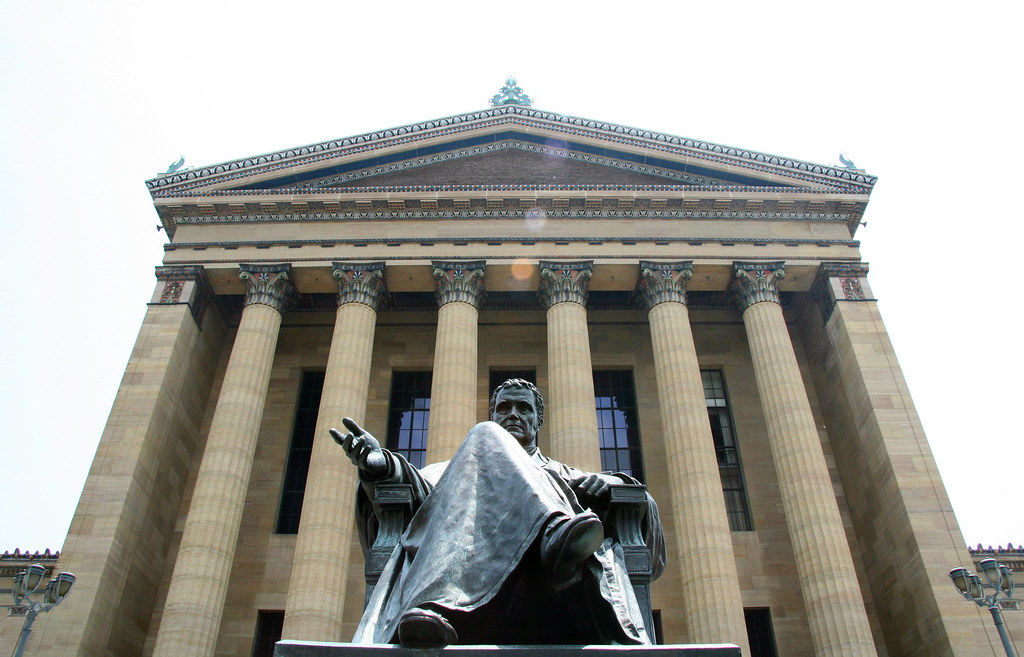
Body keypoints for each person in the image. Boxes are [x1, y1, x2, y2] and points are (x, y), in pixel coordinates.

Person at [332, 379, 665, 646]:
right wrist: (382, 465)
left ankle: (550, 538)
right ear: (493, 415)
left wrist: (611, 484)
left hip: (548, 587)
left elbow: (647, 519)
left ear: (538, 421)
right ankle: (551, 535)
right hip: (476, 573)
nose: (513, 415)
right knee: (483, 435)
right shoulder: (462, 466)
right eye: (504, 408)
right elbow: (418, 487)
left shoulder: (563, 474)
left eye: (524, 408)